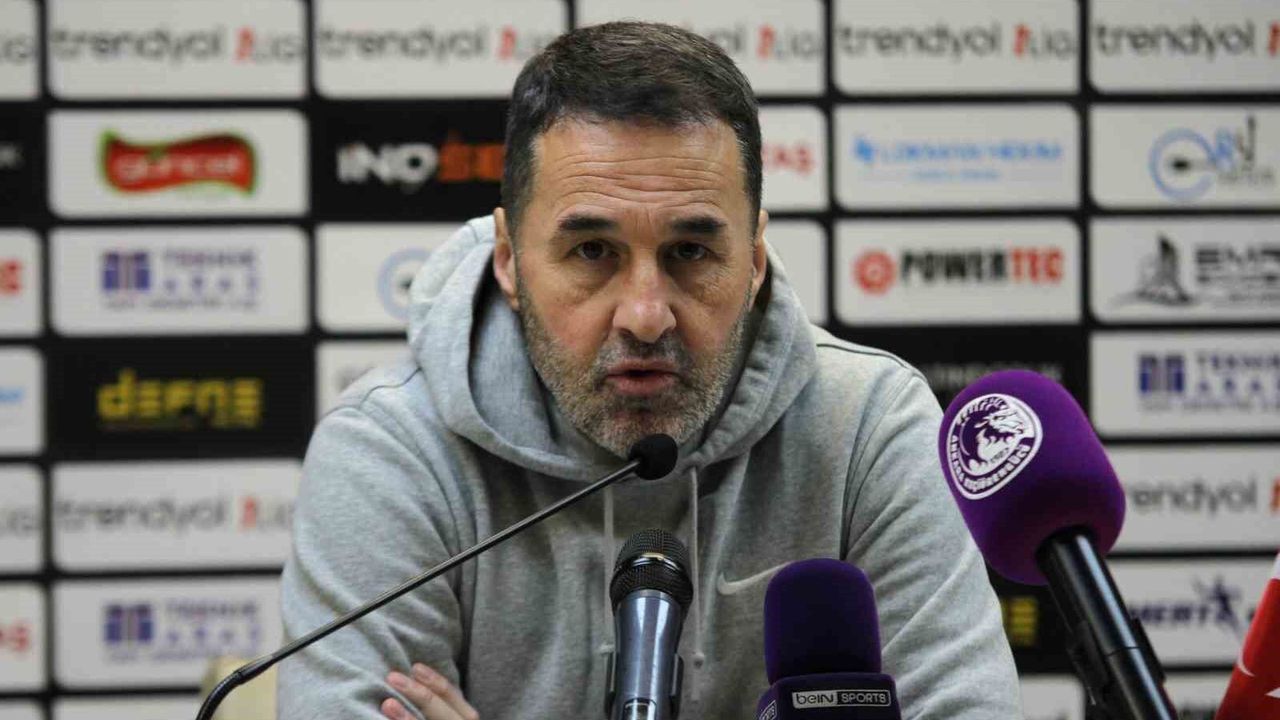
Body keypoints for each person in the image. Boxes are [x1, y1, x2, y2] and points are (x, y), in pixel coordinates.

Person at [279, 21, 1020, 720]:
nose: (644, 315)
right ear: (507, 260)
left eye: (690, 252)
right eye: (592, 251)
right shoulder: (391, 452)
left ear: (754, 260)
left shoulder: (868, 430)